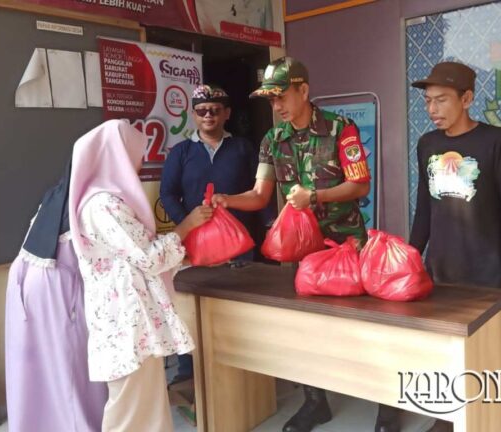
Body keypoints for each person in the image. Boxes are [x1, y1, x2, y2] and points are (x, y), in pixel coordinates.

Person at [212, 57, 398, 432]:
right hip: (306, 251)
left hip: (347, 244)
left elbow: (360, 184)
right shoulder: (273, 140)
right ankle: (316, 403)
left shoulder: (340, 129)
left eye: (281, 96)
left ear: (304, 91)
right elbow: (260, 195)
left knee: (367, 325)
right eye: (270, 100)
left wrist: (315, 196)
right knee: (308, 328)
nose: (276, 105)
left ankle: (387, 405)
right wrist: (226, 200)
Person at [68, 119, 213, 432]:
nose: (139, 163)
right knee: (130, 411)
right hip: (126, 322)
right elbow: (148, 257)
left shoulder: (107, 201)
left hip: (132, 320)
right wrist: (187, 226)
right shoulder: (104, 206)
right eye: (134, 155)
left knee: (145, 406)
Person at [408, 61, 501, 431]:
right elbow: (424, 207)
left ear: (467, 98)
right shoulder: (427, 144)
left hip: (486, 270)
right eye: (428, 101)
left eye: (441, 100)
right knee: (441, 349)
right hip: (441, 267)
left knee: (481, 353)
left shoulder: (498, 141)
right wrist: (411, 256)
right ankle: (446, 417)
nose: (432, 109)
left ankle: (481, 420)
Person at [159, 84, 258, 385]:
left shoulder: (243, 148)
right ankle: (189, 372)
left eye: (215, 110)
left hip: (237, 242)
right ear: (193, 115)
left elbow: (259, 191)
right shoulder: (181, 152)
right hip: (195, 243)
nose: (208, 115)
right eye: (201, 111)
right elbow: (167, 194)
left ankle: (242, 370)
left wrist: (268, 225)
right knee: (192, 304)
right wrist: (187, 221)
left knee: (240, 305)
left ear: (227, 113)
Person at [5, 161, 108, 432]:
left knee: (35, 367)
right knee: (70, 366)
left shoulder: (55, 195)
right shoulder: (91, 202)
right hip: (56, 288)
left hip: (24, 282)